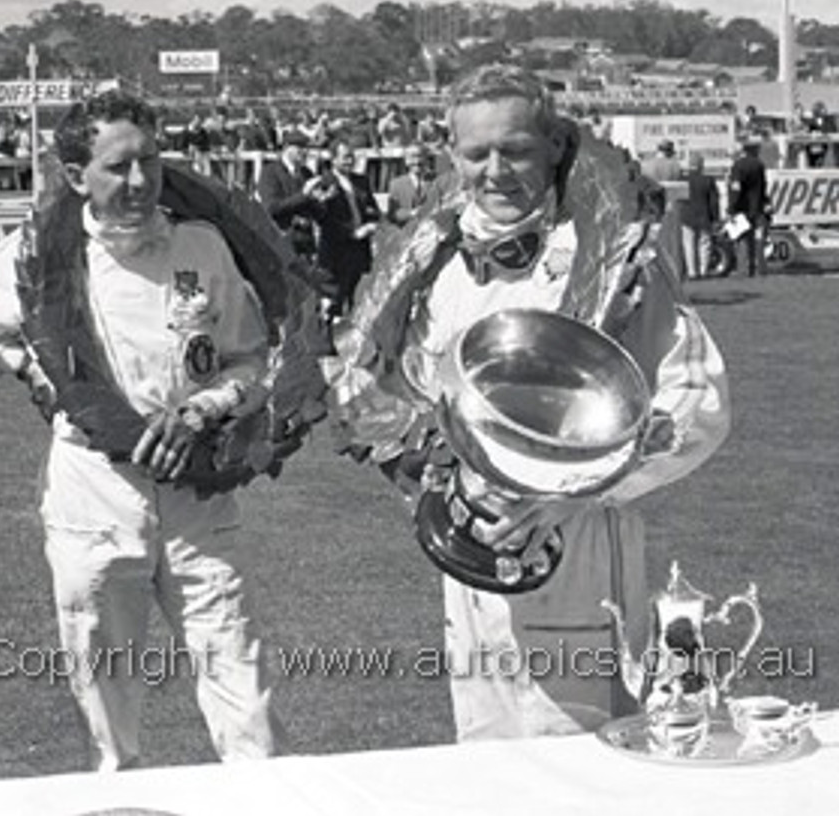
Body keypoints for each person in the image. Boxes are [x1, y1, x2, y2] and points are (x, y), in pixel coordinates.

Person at [322, 64, 730, 740]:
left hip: (578, 551)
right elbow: (408, 398)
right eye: (477, 153)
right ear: (452, 157)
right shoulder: (438, 267)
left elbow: (697, 399)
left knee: (584, 768)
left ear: (553, 148)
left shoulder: (615, 257)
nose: (496, 171)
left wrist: (579, 491)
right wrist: (428, 481)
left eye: (514, 149)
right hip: (468, 569)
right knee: (487, 768)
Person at [0, 89, 282, 772]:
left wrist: (207, 408)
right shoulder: (43, 256)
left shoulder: (201, 244)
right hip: (95, 500)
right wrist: (19, 362)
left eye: (149, 161)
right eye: (117, 167)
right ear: (77, 176)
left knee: (245, 700)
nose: (139, 182)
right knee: (108, 714)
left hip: (200, 499)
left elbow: (252, 359)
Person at [313, 140, 380, 317]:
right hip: (335, 254)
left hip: (359, 253)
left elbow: (373, 210)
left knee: (358, 304)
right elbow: (325, 220)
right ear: (333, 159)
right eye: (345, 158)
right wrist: (353, 232)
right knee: (333, 306)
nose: (350, 161)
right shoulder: (323, 183)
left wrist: (372, 223)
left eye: (352, 157)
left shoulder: (362, 181)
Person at [256, 130, 327, 259]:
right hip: (281, 242)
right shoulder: (270, 173)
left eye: (306, 147)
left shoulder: (307, 173)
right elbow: (272, 208)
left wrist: (322, 201)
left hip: (305, 245)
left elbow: (318, 215)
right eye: (299, 147)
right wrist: (304, 195)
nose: (304, 151)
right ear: (286, 147)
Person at [727, 138, 769, 278]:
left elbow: (736, 188)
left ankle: (744, 270)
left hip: (742, 208)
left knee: (743, 240)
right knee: (758, 240)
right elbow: (763, 187)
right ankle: (759, 268)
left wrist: (731, 208)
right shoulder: (759, 165)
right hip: (757, 207)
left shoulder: (738, 166)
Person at [679, 154, 721, 280]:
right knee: (704, 243)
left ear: (689, 165)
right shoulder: (708, 180)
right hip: (704, 214)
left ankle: (692, 272)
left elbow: (680, 200)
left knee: (689, 244)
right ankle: (703, 270)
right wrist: (715, 217)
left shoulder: (682, 180)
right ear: (701, 165)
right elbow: (714, 201)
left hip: (687, 215)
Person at [384, 144, 433, 227]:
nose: (417, 161)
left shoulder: (437, 181)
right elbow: (393, 214)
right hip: (406, 232)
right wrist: (411, 213)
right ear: (406, 160)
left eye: (420, 156)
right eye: (412, 157)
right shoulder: (396, 184)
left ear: (426, 159)